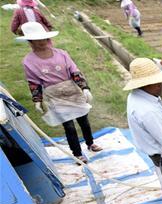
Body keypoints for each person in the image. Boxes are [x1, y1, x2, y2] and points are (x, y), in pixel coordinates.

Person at [17, 21, 101, 163]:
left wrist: (84, 88)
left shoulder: (61, 54)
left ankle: (90, 143)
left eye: (44, 38)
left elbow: (75, 72)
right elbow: (34, 82)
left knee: (84, 121)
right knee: (69, 126)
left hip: (71, 91)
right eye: (37, 40)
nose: (42, 42)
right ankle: (77, 153)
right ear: (30, 41)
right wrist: (37, 100)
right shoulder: (29, 61)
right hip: (55, 95)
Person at [123, 57, 162, 204]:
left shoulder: (140, 96)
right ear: (145, 84)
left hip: (158, 152)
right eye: (156, 82)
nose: (160, 85)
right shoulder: (147, 111)